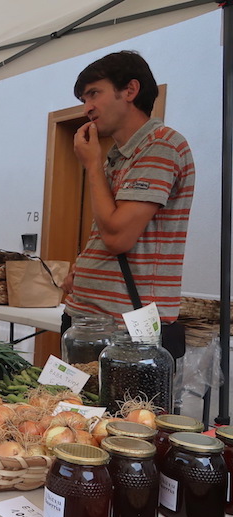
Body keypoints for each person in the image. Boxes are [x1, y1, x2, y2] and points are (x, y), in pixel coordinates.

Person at [64, 51, 194, 344]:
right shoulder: (118, 157)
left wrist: (92, 165)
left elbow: (118, 238)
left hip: (125, 329)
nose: (87, 108)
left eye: (94, 94)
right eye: (84, 99)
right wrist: (83, 268)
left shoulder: (161, 144)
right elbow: (106, 234)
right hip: (90, 319)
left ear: (130, 90)